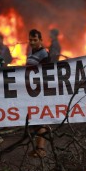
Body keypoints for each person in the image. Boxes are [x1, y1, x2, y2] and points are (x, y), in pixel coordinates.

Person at [26, 29, 50, 157]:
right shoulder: (31, 53)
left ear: (41, 40)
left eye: (35, 40)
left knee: (41, 120)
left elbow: (46, 73)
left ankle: (41, 149)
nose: (32, 42)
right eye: (30, 40)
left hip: (41, 92)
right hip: (32, 92)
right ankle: (37, 148)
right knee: (35, 120)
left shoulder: (44, 54)